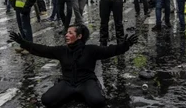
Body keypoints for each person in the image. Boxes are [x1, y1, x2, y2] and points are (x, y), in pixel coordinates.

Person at [8, 25, 138, 108]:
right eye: (66, 33)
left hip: (86, 82)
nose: (66, 35)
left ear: (79, 36)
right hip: (68, 83)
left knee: (98, 102)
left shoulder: (90, 50)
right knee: (46, 100)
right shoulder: (62, 51)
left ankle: (89, 90)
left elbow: (110, 51)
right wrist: (22, 42)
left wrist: (125, 45)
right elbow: (42, 50)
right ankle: (71, 93)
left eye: (70, 33)